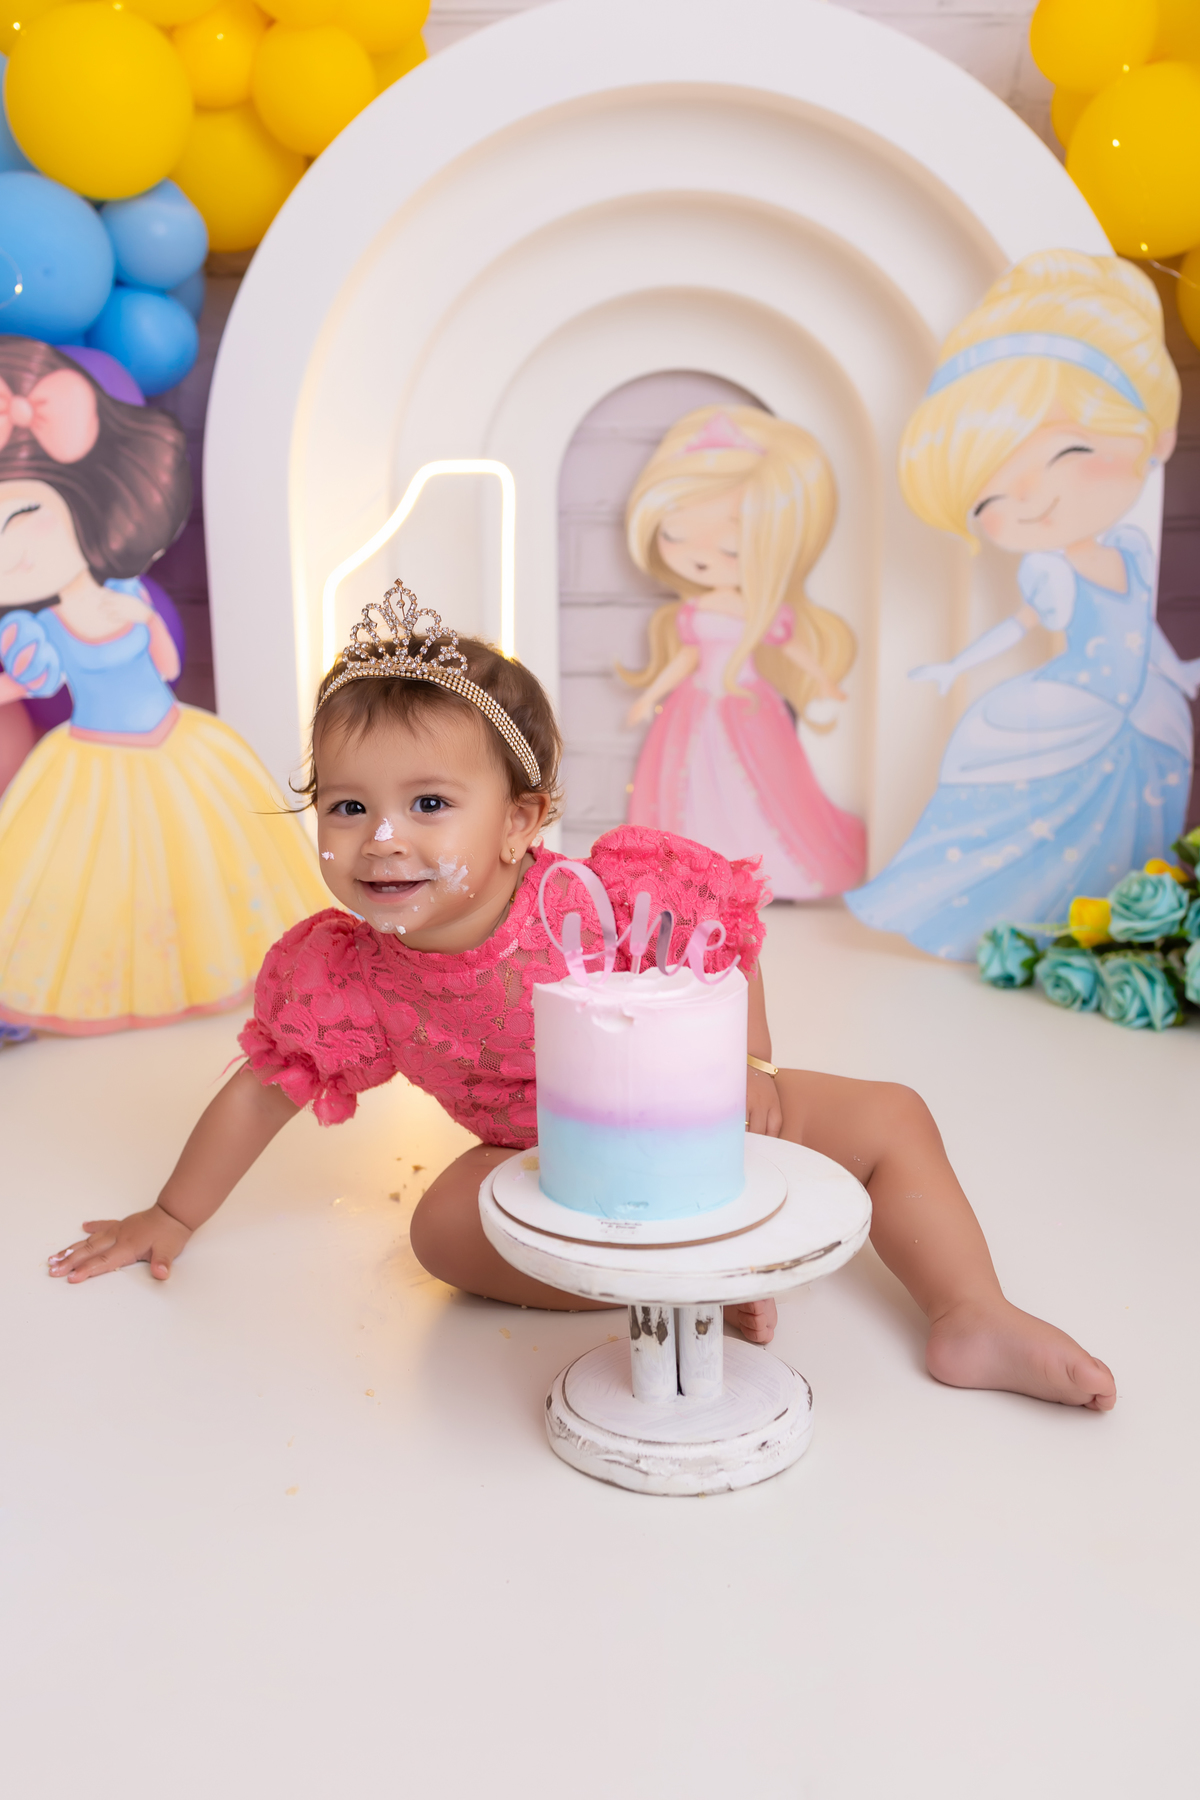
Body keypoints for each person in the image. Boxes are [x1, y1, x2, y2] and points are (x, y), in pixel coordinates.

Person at [48, 584, 1116, 1410]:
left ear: (521, 820)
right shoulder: (350, 975)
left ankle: (971, 1312)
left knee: (893, 1117)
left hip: (694, 1115)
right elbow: (261, 1091)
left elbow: (725, 947)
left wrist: (748, 1067)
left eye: (429, 803)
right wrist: (171, 1214)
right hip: (543, 1161)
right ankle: (678, 1283)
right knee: (442, 1233)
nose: (382, 839)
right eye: (347, 806)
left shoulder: (595, 897)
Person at [848, 251, 1199, 960]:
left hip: (1144, 709)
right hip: (1078, 703)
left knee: (1132, 824)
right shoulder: (1049, 570)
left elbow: (1140, 632)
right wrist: (955, 667)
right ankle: (1005, 926)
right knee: (1026, 818)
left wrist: (1182, 674)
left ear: (1155, 436)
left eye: (1069, 451)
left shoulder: (1132, 550)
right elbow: (1020, 626)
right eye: (990, 498)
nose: (1032, 499)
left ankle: (1113, 926)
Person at [0, 337, 327, 1034]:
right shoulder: (36, 630)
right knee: (101, 875)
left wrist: (138, 621)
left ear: (84, 505)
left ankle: (231, 978)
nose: (14, 547)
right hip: (92, 755)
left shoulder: (127, 595)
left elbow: (168, 666)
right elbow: (29, 682)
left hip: (179, 741)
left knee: (202, 864)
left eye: (25, 516)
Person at [619, 406, 865, 900]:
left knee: (761, 785)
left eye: (731, 548)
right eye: (675, 534)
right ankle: (695, 872)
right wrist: (650, 696)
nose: (700, 555)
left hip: (748, 705)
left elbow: (790, 647)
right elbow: (687, 659)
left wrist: (822, 680)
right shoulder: (695, 611)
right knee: (690, 786)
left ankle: (764, 869)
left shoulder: (760, 611)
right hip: (695, 704)